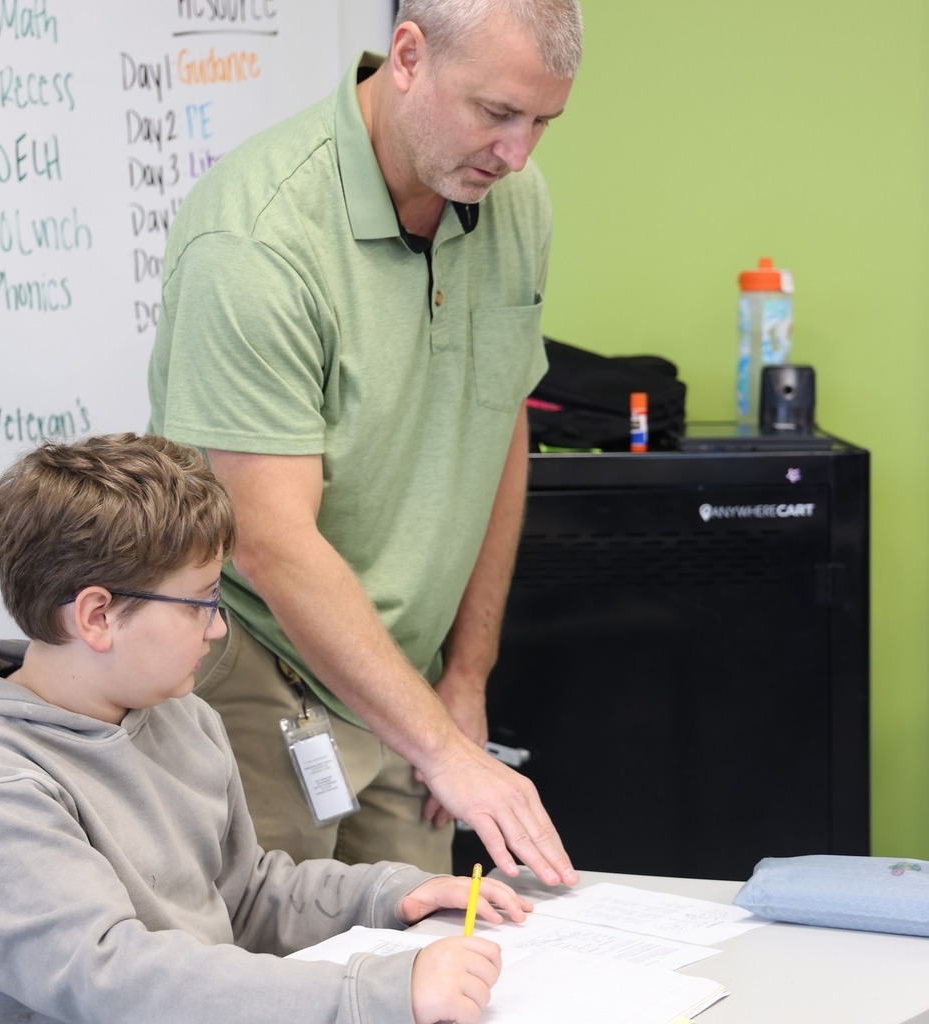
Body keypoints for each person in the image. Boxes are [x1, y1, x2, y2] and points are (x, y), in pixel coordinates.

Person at [147, 0, 583, 883]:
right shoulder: (257, 241)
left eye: (543, 121)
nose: (517, 153)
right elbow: (272, 543)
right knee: (269, 951)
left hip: (407, 679)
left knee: (427, 945)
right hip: (260, 666)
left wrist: (467, 676)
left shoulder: (513, 200)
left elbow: (498, 425)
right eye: (498, 112)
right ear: (408, 56)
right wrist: (444, 749)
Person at [0, 432, 531, 1024]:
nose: (216, 629)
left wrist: (387, 895)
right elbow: (113, 978)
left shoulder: (184, 716)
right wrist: (372, 993)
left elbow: (244, 896)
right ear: (98, 615)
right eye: (202, 603)